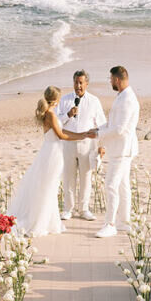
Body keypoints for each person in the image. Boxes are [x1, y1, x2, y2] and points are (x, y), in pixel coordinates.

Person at [8, 87, 96, 237]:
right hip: (53, 154)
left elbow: (60, 131)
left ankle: (49, 220)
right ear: (56, 99)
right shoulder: (50, 114)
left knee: (50, 187)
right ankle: (42, 222)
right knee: (49, 187)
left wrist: (82, 134)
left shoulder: (50, 114)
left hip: (50, 151)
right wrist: (82, 136)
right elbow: (61, 135)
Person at [96, 66, 140, 238]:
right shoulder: (123, 96)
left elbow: (120, 129)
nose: (110, 82)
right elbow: (113, 123)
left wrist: (99, 134)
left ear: (117, 79)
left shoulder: (128, 99)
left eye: (110, 79)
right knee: (122, 186)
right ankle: (124, 222)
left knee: (111, 185)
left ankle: (110, 223)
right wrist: (97, 130)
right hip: (121, 148)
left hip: (122, 149)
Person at [57, 70, 106, 222]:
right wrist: (68, 115)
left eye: (81, 83)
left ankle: (84, 209)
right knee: (69, 177)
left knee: (86, 176)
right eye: (76, 82)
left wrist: (101, 145)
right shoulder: (65, 100)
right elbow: (56, 122)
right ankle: (68, 209)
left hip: (87, 143)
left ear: (86, 84)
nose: (78, 86)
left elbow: (102, 124)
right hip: (68, 142)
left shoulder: (94, 101)